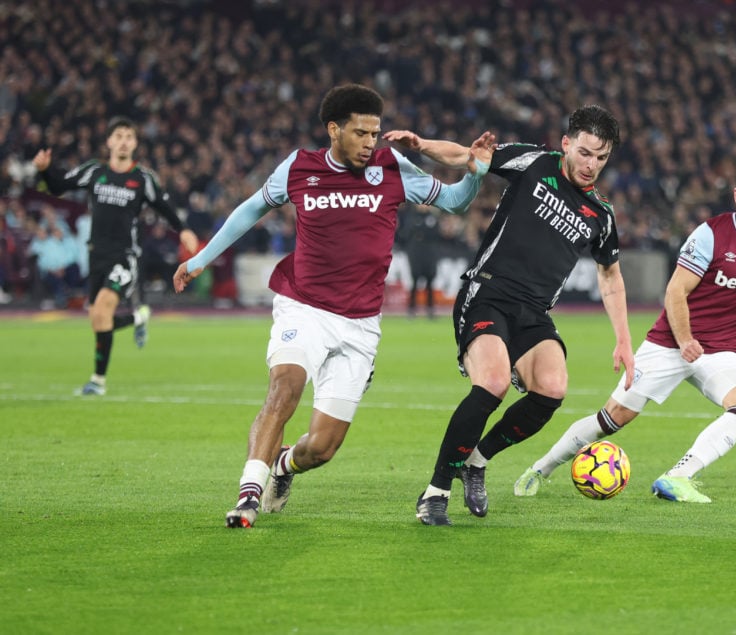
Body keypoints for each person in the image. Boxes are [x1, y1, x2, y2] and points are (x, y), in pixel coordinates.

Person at [172, 83, 495, 529]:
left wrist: (475, 172)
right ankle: (248, 495)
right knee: (284, 389)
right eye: (361, 133)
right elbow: (249, 211)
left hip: (361, 324)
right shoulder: (299, 167)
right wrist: (199, 259)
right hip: (303, 306)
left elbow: (456, 203)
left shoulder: (391, 166)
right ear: (334, 129)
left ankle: (282, 468)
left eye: (375, 133)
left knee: (321, 448)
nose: (370, 143)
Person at [385, 104, 636, 526]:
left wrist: (624, 340)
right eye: (586, 152)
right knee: (495, 383)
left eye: (602, 157)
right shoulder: (534, 162)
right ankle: (435, 491)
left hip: (533, 312)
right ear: (567, 144)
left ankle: (477, 461)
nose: (592, 165)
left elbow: (611, 277)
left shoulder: (601, 215)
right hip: (487, 292)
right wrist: (423, 145)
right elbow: (470, 156)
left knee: (553, 389)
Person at [515, 162, 736, 504]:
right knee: (611, 418)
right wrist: (685, 340)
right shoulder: (711, 235)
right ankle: (540, 469)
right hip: (670, 343)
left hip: (720, 352)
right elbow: (675, 291)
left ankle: (677, 477)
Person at [33, 117, 198, 396]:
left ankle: (98, 382)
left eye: (129, 136)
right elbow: (58, 187)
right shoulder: (95, 172)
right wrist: (45, 171)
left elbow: (163, 206)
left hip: (125, 256)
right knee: (98, 319)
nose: (123, 141)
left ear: (134, 144)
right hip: (96, 255)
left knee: (101, 311)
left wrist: (183, 230)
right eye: (118, 135)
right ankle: (138, 317)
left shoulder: (142, 178)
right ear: (109, 141)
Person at [398, 204, 443, 318]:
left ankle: (430, 308)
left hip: (429, 254)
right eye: (421, 204)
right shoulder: (411, 216)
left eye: (426, 204)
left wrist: (420, 233)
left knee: (430, 281)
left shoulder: (432, 217)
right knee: (414, 280)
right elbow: (406, 233)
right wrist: (422, 233)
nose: (424, 206)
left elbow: (436, 234)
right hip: (415, 254)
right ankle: (412, 308)